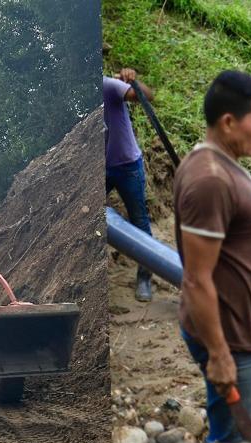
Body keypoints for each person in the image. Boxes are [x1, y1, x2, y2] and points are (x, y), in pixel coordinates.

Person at [174, 70, 251, 443]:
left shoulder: (220, 163)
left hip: (247, 323)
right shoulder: (210, 181)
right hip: (231, 334)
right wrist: (220, 354)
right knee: (232, 441)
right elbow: (196, 278)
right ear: (228, 122)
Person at [104, 67, 157, 302]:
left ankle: (145, 277)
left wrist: (135, 81)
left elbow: (146, 96)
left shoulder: (109, 86)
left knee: (139, 221)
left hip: (127, 166)